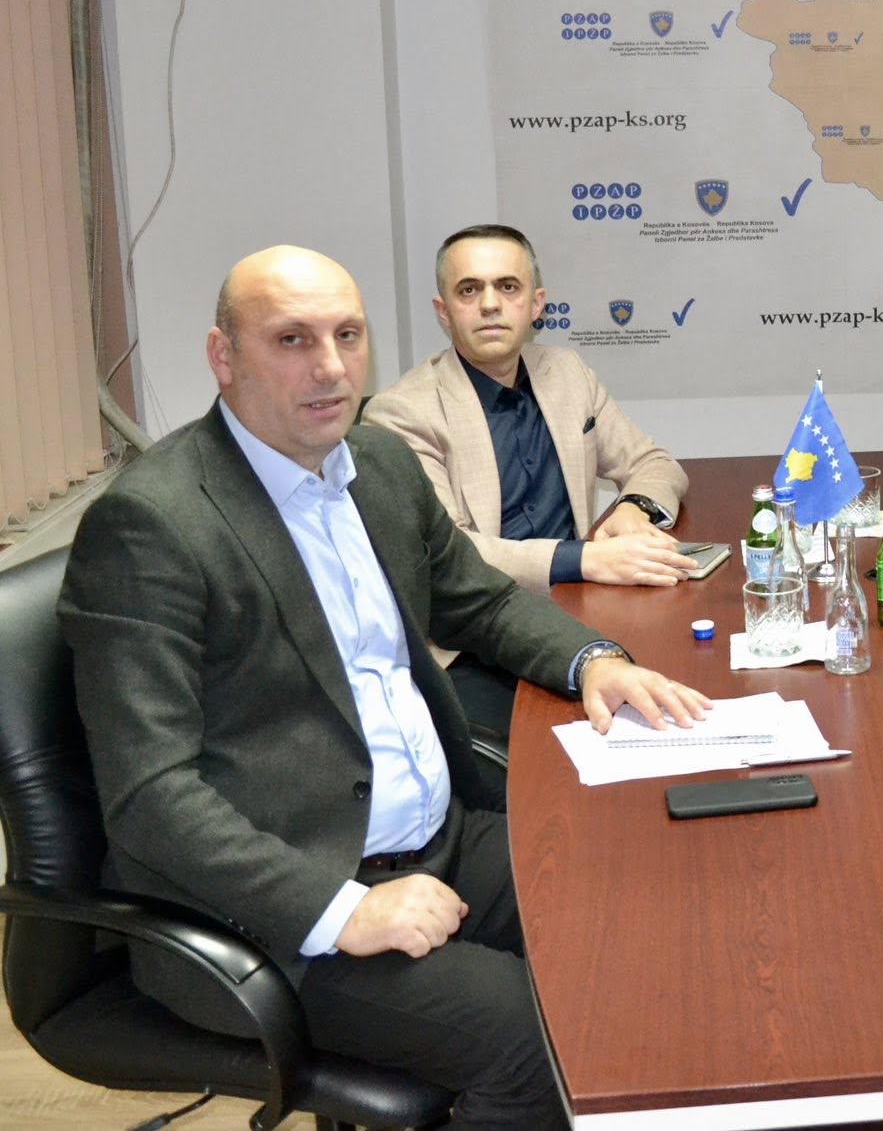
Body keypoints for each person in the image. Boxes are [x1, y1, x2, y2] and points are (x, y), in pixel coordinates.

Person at [60, 246, 711, 1131]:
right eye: (293, 340)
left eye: (348, 336)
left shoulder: (377, 465)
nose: (331, 368)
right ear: (224, 356)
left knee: (643, 912)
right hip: (269, 911)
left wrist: (594, 661)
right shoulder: (152, 524)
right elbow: (151, 797)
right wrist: (342, 912)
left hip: (434, 840)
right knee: (536, 1038)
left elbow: (479, 602)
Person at [364, 222, 693, 731]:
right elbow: (451, 555)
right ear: (443, 311)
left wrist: (634, 508)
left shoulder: (567, 373)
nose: (489, 304)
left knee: (680, 695)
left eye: (507, 287)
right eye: (469, 290)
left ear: (536, 304)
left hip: (584, 608)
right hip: (474, 640)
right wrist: (586, 558)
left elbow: (654, 463)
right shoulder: (402, 413)